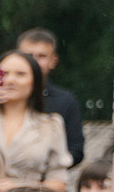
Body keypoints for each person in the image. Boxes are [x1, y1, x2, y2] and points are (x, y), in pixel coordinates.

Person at [0, 49, 73, 192]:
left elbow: (59, 183)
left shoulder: (50, 125)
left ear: (34, 81)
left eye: (20, 74)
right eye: (4, 74)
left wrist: (22, 187)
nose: (10, 80)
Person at [16, 26, 85, 169]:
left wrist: (49, 168)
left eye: (41, 56)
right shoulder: (0, 97)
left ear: (53, 61)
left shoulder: (66, 101)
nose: (34, 62)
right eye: (28, 56)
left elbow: (76, 151)